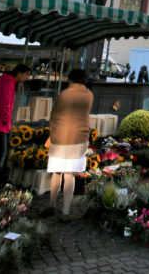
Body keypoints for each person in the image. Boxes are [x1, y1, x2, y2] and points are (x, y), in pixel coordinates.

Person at [45, 68, 94, 218]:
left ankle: (52, 205)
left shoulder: (64, 95)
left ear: (70, 79)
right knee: (69, 174)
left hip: (61, 137)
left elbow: (55, 115)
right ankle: (66, 210)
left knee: (56, 172)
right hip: (79, 137)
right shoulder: (89, 95)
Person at [0, 64, 32, 186]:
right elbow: (5, 104)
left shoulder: (5, 81)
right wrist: (6, 121)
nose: (27, 78)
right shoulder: (9, 83)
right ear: (19, 73)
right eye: (26, 74)